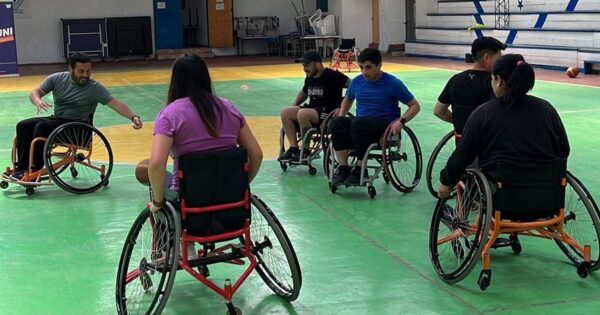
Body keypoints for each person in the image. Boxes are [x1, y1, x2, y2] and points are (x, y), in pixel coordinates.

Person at [438, 54, 570, 201]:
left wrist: (446, 181)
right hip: (545, 196)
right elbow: (564, 150)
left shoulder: (483, 113)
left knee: (474, 167)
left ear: (499, 81)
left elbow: (463, 154)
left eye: (492, 79)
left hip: (504, 199)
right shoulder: (547, 109)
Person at [8, 52, 142, 179]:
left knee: (41, 127)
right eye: (81, 71)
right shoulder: (57, 79)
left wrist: (133, 117)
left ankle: (34, 169)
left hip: (78, 129)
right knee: (23, 125)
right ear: (70, 69)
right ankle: (22, 168)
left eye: (88, 71)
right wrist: (38, 101)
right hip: (58, 120)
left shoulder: (94, 88)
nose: (85, 75)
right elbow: (35, 92)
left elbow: (115, 103)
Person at [329, 48, 421, 185]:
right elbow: (347, 100)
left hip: (383, 127)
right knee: (337, 123)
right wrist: (341, 116)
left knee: (358, 123)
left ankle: (361, 168)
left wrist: (401, 121)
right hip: (359, 127)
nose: (364, 72)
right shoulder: (356, 82)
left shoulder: (393, 83)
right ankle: (343, 168)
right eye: (361, 67)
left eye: (368, 67)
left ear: (379, 65)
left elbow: (415, 106)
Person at [278, 50, 350, 162]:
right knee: (285, 112)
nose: (304, 68)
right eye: (303, 65)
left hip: (328, 112)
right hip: (313, 110)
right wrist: (294, 105)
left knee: (303, 113)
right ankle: (294, 148)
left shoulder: (333, 76)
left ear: (317, 64)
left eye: (307, 65)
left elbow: (353, 87)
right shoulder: (309, 77)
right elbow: (304, 92)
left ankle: (305, 150)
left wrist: (341, 107)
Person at [434, 36, 506, 135]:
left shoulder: (455, 79)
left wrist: (460, 123)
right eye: (498, 57)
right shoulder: (494, 82)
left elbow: (439, 111)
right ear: (486, 58)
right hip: (488, 144)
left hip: (462, 142)